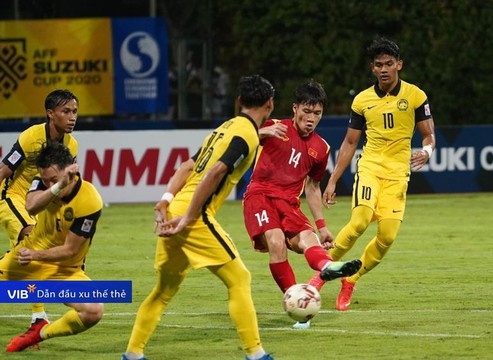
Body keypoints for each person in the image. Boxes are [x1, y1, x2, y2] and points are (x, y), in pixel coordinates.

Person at [122, 75, 276, 360]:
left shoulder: (223, 128)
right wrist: (189, 217)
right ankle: (256, 354)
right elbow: (215, 171)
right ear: (270, 104)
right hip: (194, 216)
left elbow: (186, 165)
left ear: (239, 102)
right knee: (239, 278)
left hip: (176, 208)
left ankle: (132, 354)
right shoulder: (246, 135)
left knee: (163, 291)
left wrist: (166, 199)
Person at [309, 37, 436, 311]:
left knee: (388, 237)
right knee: (359, 222)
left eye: (389, 63)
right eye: (379, 65)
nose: (384, 69)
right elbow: (350, 143)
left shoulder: (416, 96)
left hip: (398, 174)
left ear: (399, 64)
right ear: (372, 68)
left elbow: (429, 135)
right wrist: (332, 180)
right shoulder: (362, 100)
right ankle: (320, 275)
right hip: (370, 167)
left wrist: (427, 152)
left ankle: (351, 278)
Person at [242, 80, 362, 327]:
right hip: (260, 196)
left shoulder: (321, 148)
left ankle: (328, 267)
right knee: (276, 241)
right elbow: (233, 139)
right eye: (306, 111)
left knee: (309, 241)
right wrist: (259, 133)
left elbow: (313, 187)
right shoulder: (274, 127)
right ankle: (299, 305)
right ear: (294, 108)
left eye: (317, 113)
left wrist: (322, 225)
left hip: (289, 203)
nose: (311, 118)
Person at [1, 141, 103, 352]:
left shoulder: (90, 201)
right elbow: (31, 206)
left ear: (71, 170)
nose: (47, 184)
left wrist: (36, 255)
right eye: (45, 181)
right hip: (25, 259)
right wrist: (57, 186)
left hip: (63, 270)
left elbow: (70, 251)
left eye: (54, 180)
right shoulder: (45, 181)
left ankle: (39, 333)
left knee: (94, 310)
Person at [0, 89, 79, 332]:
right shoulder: (31, 137)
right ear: (50, 113)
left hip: (40, 202)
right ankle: (38, 317)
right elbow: (4, 170)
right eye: (66, 111)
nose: (72, 117)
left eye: (75, 111)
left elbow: (69, 185)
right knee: (30, 238)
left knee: (29, 253)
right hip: (12, 197)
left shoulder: (71, 144)